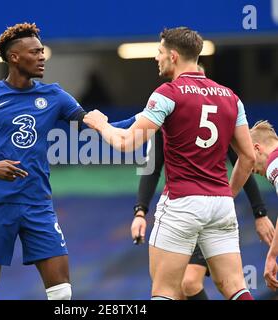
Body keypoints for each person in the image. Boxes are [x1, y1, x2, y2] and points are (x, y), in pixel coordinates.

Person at [0, 22, 135, 300]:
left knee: (62, 294)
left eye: (42, 51)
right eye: (34, 52)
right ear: (14, 57)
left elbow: (98, 126)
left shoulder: (54, 95)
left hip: (39, 205)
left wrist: (151, 117)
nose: (42, 56)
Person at [84, 26, 256, 300]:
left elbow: (127, 142)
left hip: (182, 203)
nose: (157, 58)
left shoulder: (168, 93)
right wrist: (228, 194)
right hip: (220, 204)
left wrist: (101, 125)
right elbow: (248, 158)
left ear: (173, 56)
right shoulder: (231, 97)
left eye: (160, 52)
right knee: (235, 287)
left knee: (165, 291)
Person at [133, 129, 275, 299]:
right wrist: (140, 210)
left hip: (191, 209)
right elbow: (151, 167)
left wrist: (259, 212)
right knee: (188, 287)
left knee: (180, 285)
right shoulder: (168, 114)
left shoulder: (171, 106)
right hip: (192, 210)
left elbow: (243, 158)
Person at [249, 120, 278, 291]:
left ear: (257, 149)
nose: (250, 170)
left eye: (247, 158)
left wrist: (272, 256)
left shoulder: (274, 163)